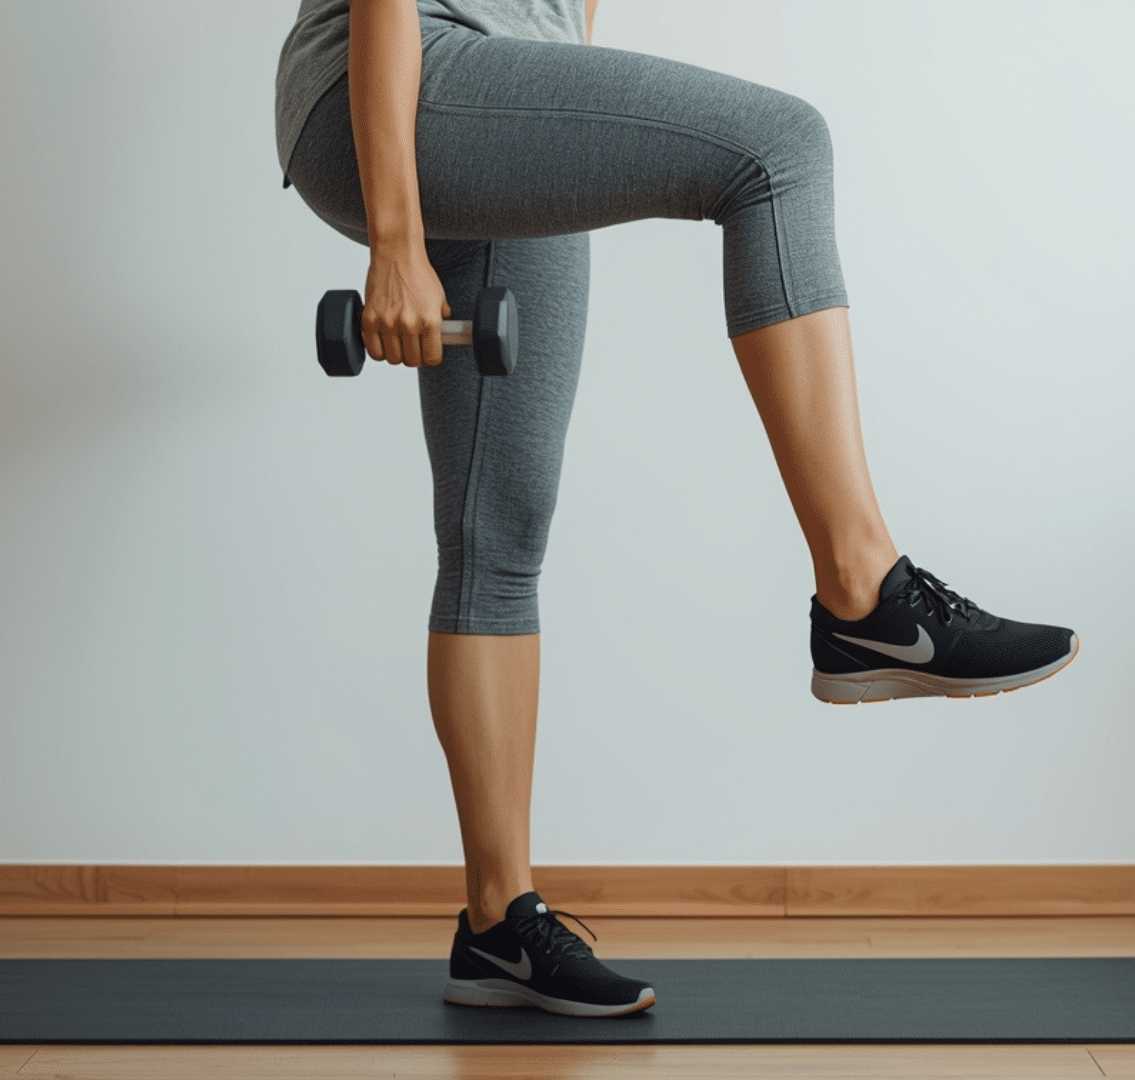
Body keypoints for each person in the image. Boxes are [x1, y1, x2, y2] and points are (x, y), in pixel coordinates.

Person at [274, 0, 1078, 1018]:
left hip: (505, 83)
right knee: (781, 147)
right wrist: (397, 236)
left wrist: (566, 104)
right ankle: (867, 595)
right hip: (389, 80)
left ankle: (496, 928)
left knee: (498, 538)